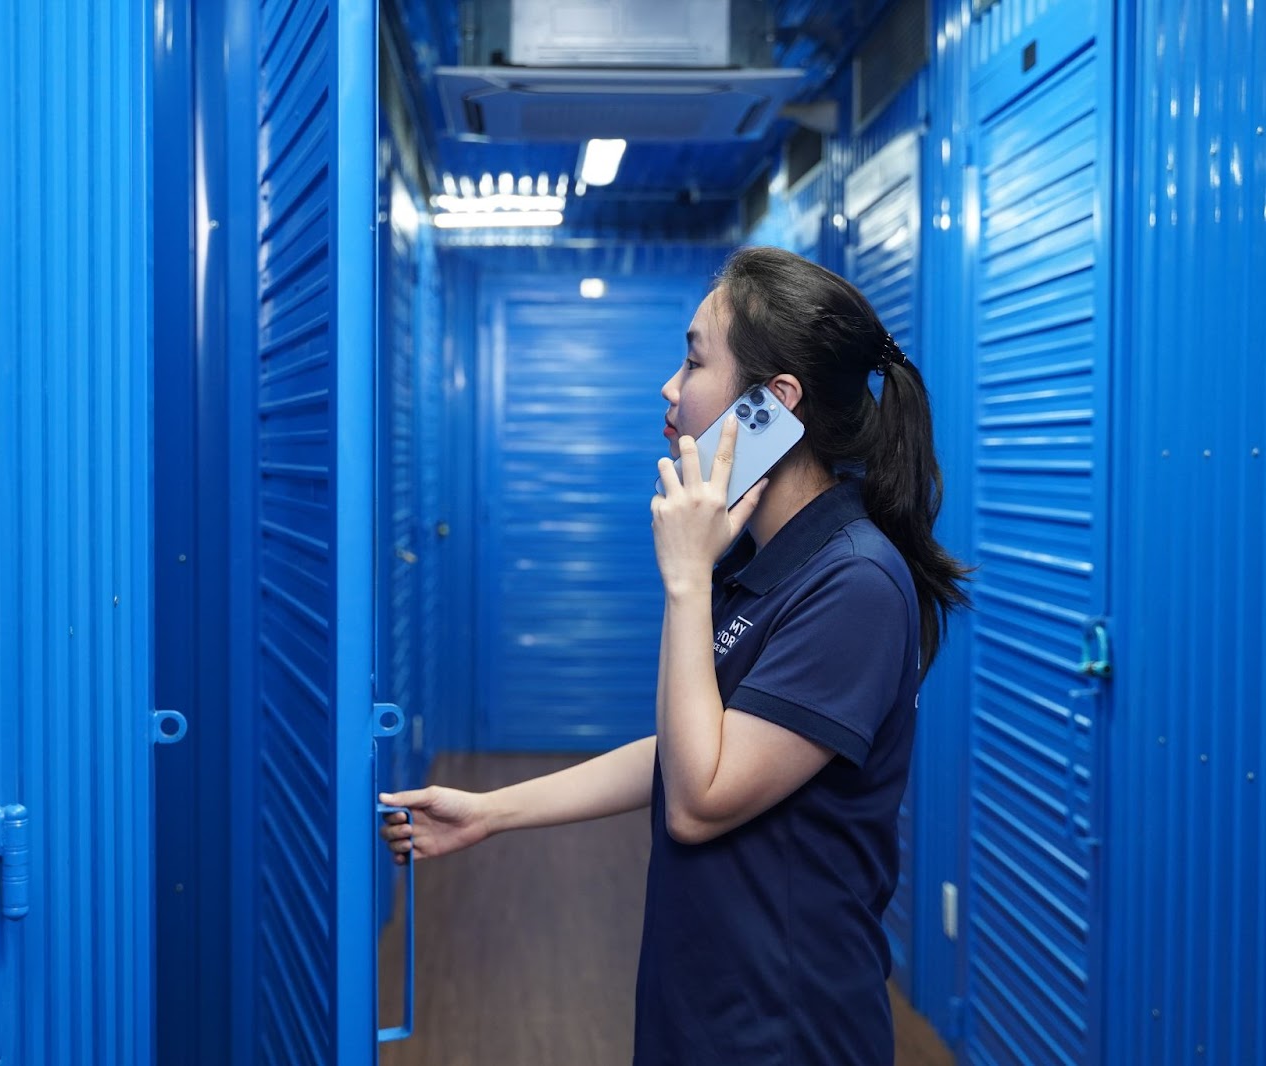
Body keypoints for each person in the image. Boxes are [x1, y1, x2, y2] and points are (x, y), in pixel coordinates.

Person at [380, 246, 969, 1065]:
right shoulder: (764, 557)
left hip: (783, 1030)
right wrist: (491, 813)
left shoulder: (855, 584)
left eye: (693, 359)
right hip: (701, 1006)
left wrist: (687, 577)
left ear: (772, 403)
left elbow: (700, 799)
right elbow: (696, 748)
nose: (669, 386)